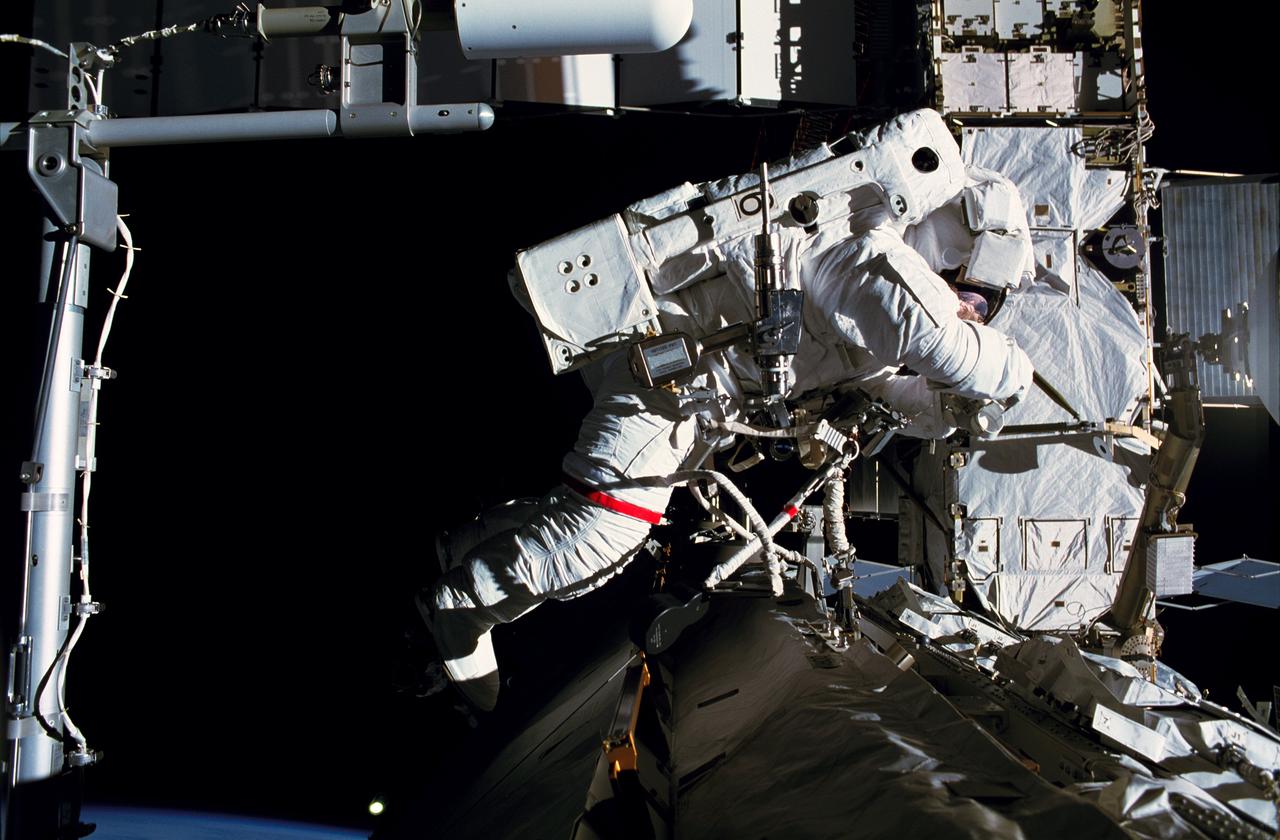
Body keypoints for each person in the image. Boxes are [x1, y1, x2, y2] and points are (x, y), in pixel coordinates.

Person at [425, 170, 1036, 711]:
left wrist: (953, 410)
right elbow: (939, 344)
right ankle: (461, 606)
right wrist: (1012, 376)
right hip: (668, 379)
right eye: (974, 295)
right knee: (604, 535)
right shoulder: (866, 252)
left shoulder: (877, 293)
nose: (971, 313)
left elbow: (893, 390)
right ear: (955, 247)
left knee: (597, 519)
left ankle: (468, 545)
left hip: (688, 389)